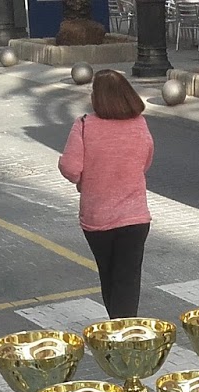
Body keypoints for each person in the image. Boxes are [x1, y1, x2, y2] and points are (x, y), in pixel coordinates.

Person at [58, 69, 154, 319]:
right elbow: (145, 161)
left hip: (97, 219)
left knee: (109, 276)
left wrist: (86, 178)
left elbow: (70, 168)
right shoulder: (139, 124)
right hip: (135, 217)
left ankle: (117, 326)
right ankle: (124, 327)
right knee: (128, 280)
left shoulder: (84, 125)